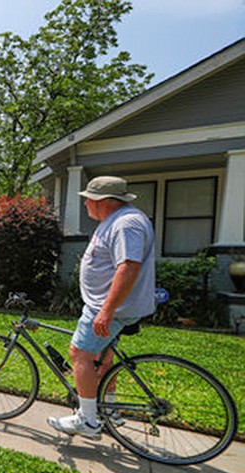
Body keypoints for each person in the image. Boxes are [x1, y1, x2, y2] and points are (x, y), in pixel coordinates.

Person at [48, 176, 155, 440]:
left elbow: (129, 267)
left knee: (80, 354)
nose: (86, 204)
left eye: (88, 200)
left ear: (103, 202)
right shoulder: (119, 221)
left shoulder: (126, 223)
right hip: (112, 306)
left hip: (109, 308)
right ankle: (110, 409)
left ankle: (87, 420)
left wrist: (106, 310)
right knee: (105, 358)